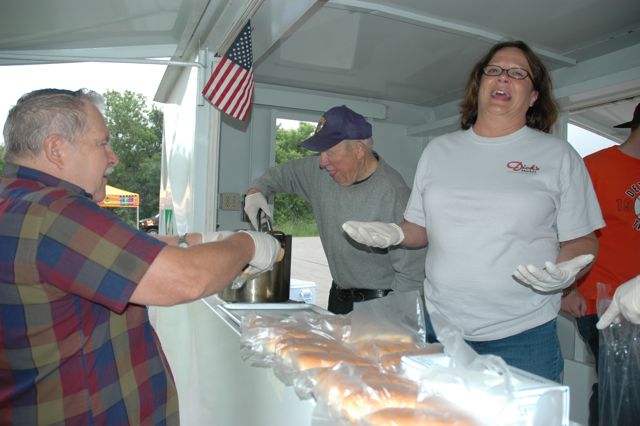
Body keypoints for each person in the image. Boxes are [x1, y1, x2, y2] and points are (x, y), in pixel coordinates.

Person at [0, 88, 282, 424]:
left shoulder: (18, 202)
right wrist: (248, 243)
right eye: (102, 143)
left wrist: (193, 240)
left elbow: (109, 253)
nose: (113, 157)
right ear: (57, 149)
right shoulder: (54, 213)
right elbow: (186, 279)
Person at [342, 40, 605, 382]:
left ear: (534, 96)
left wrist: (567, 269)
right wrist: (395, 233)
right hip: (442, 329)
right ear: (479, 84)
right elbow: (419, 228)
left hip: (524, 336)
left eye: (517, 74)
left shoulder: (558, 156)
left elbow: (583, 239)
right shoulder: (439, 151)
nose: (502, 78)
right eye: (493, 71)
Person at [243, 105, 427, 314]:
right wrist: (256, 191)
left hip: (379, 303)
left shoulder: (394, 194)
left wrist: (387, 320)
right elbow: (280, 175)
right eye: (321, 152)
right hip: (338, 298)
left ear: (358, 149)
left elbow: (412, 275)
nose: (322, 162)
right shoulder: (320, 174)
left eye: (330, 152)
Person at [560, 102, 640, 425]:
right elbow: (561, 230)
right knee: (619, 390)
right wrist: (566, 289)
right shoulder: (594, 167)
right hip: (601, 300)